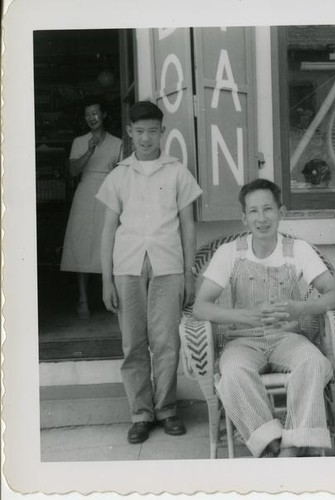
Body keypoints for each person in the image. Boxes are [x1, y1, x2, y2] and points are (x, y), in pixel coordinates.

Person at [193, 179, 335, 458]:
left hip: (287, 338)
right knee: (233, 374)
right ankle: (271, 444)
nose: (261, 218)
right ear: (244, 217)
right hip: (242, 341)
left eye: (268, 209)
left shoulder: (297, 250)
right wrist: (242, 316)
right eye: (253, 211)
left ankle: (294, 446)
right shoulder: (230, 252)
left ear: (281, 212)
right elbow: (200, 307)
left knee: (313, 362)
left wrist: (299, 309)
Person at [96, 101, 202, 444]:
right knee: (133, 344)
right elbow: (108, 230)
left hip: (168, 266)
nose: (145, 138)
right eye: (139, 131)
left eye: (152, 131)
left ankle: (167, 409)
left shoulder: (177, 172)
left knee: (166, 342)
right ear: (129, 132)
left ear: (162, 132)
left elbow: (188, 227)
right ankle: (140, 413)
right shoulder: (118, 175)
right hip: (127, 267)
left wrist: (189, 274)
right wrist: (106, 280)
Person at [60, 96, 122, 319]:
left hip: (108, 195)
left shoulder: (117, 142)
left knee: (108, 244)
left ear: (104, 115)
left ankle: (114, 298)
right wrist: (88, 152)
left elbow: (121, 173)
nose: (91, 118)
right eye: (87, 115)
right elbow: (73, 171)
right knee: (83, 244)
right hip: (86, 194)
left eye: (95, 113)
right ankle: (83, 299)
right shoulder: (79, 141)